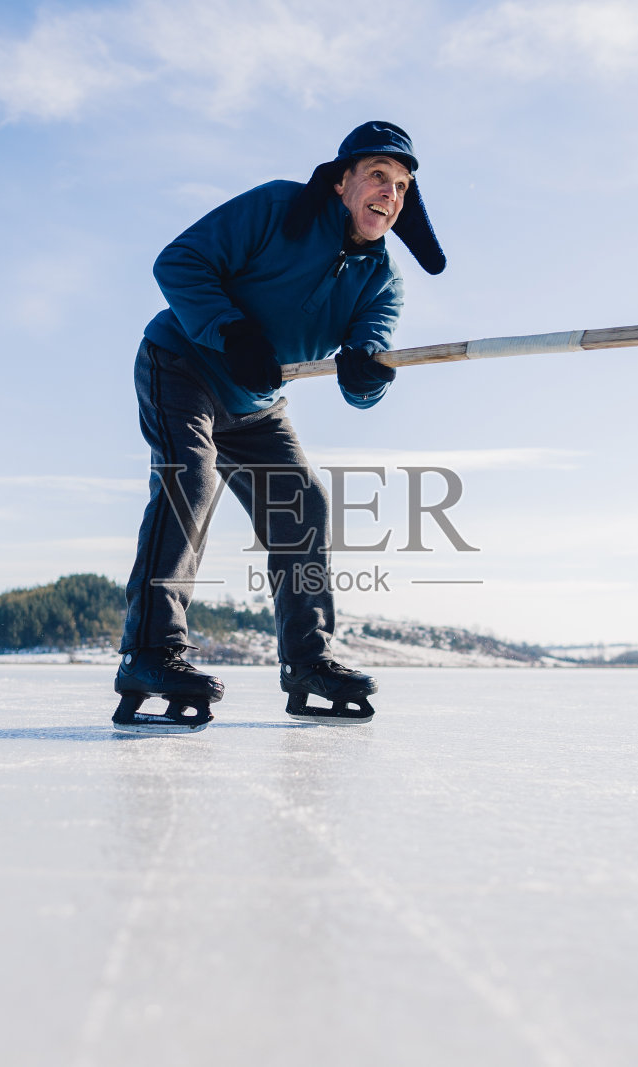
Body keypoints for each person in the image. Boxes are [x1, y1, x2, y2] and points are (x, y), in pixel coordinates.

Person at [112, 121, 446, 733]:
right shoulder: (274, 208)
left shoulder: (381, 278)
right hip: (182, 362)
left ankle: (308, 663)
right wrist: (231, 330)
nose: (389, 194)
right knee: (189, 482)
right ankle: (151, 655)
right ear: (342, 179)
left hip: (258, 403)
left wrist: (366, 370)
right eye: (378, 176)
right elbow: (178, 261)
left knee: (304, 502)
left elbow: (364, 373)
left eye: (401, 187)